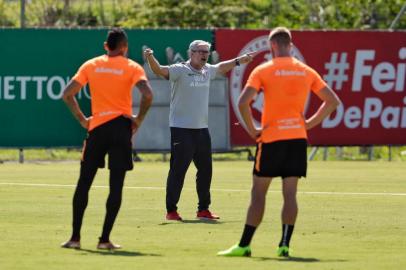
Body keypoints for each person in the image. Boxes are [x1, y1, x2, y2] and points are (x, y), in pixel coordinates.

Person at [218, 27, 341, 257]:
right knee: (290, 194)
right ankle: (284, 244)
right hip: (296, 139)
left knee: (258, 194)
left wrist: (253, 129)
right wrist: (309, 124)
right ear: (290, 46)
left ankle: (244, 245)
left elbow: (244, 102)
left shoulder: (263, 70)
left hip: (272, 139)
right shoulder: (306, 70)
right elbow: (332, 101)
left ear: (272, 45)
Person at [61, 28, 153, 249]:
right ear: (125, 47)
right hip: (121, 128)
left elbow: (67, 94)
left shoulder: (91, 65)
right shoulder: (132, 67)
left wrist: (84, 120)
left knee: (84, 183)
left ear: (105, 46)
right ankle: (104, 240)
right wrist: (138, 120)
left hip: (97, 129)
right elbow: (148, 94)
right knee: (116, 186)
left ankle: (75, 238)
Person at [144, 40, 254, 221]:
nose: (204, 55)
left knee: (205, 171)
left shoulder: (206, 70)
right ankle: (171, 211)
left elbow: (220, 67)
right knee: (178, 171)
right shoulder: (180, 69)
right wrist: (150, 57)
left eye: (207, 52)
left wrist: (238, 61)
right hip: (181, 129)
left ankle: (203, 209)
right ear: (191, 52)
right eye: (201, 52)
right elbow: (159, 70)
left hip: (202, 130)